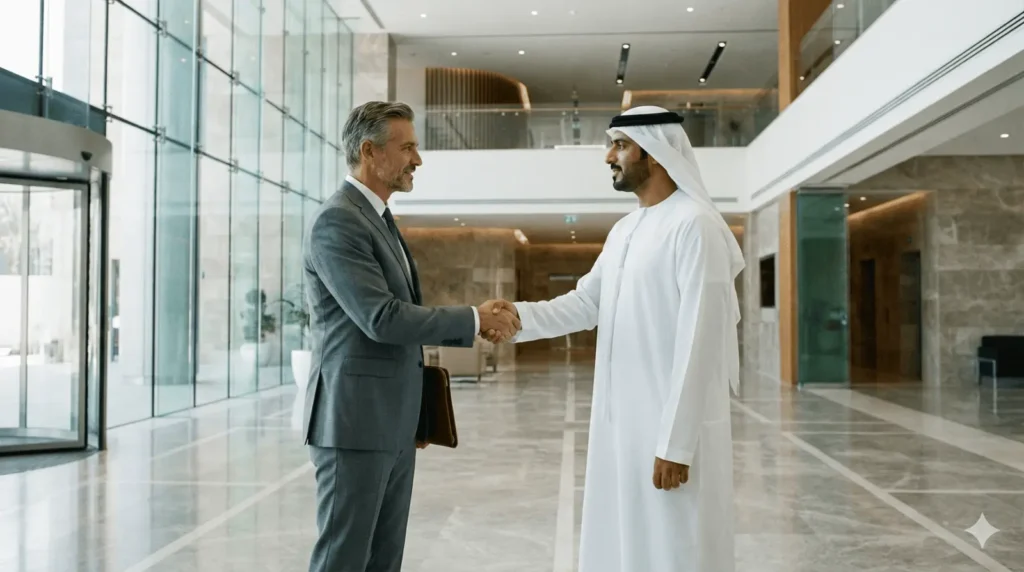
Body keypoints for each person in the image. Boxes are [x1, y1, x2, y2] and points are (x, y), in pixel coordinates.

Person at [484, 105, 745, 571]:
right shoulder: (625, 231)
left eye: (621, 145)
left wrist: (677, 443)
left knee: (675, 545)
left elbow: (700, 339)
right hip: (621, 424)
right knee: (625, 543)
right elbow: (587, 303)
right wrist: (518, 317)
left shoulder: (695, 226)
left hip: (668, 428)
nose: (609, 155)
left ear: (658, 154)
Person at [302, 101, 521, 572]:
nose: (417, 159)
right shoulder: (337, 221)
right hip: (354, 424)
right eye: (407, 148)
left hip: (391, 422)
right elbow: (381, 318)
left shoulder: (378, 219)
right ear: (369, 152)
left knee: (384, 559)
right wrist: (473, 319)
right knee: (344, 557)